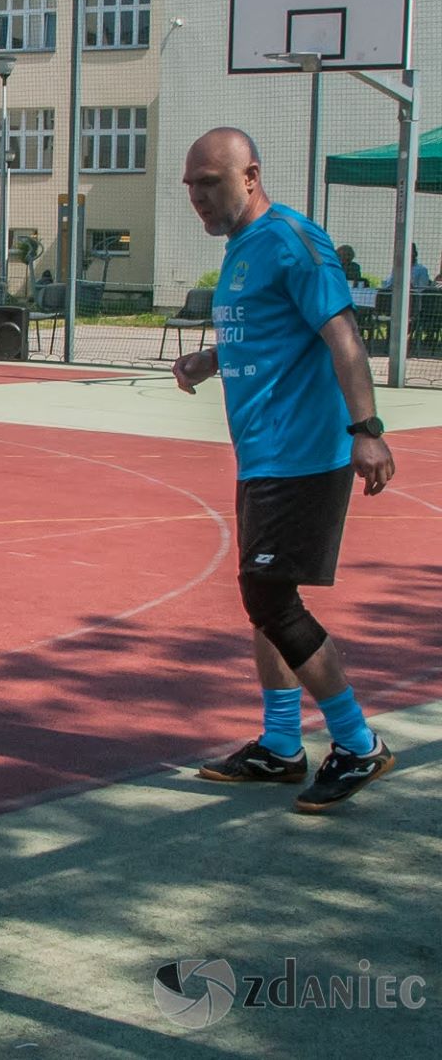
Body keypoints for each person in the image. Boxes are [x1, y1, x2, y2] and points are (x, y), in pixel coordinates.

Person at [175, 128, 396, 812]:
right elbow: (269, 328)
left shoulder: (293, 240)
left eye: (210, 182)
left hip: (305, 453)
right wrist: (211, 359)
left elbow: (343, 338)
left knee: (270, 597)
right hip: (263, 455)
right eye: (191, 187)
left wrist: (367, 431)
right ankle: (279, 744)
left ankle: (358, 743)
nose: (199, 198)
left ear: (251, 175)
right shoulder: (242, 251)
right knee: (261, 597)